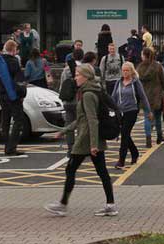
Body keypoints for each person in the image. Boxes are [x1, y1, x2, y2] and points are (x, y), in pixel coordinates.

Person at [44, 64, 118, 217]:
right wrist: (63, 131)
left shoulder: (88, 94)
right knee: (102, 171)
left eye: (78, 74)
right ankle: (110, 205)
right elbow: (81, 119)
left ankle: (62, 205)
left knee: (71, 169)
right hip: (93, 138)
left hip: (87, 140)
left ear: (85, 76)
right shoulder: (91, 91)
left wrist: (93, 145)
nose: (75, 77)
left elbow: (92, 120)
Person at [112, 62, 152, 169]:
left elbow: (143, 97)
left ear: (131, 71)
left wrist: (148, 111)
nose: (125, 72)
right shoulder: (118, 82)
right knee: (125, 134)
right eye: (123, 70)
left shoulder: (135, 82)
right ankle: (134, 152)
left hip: (132, 111)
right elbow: (113, 97)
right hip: (120, 112)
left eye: (127, 70)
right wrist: (109, 109)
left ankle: (121, 160)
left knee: (124, 134)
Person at [0, 40, 27, 155]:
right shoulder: (14, 62)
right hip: (13, 95)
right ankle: (11, 147)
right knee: (18, 120)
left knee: (5, 120)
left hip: (2, 95)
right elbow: (19, 81)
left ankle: (6, 145)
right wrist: (22, 94)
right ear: (13, 49)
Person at [137, 47, 164, 146]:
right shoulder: (157, 66)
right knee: (158, 117)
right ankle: (159, 136)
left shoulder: (139, 68)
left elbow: (137, 82)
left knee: (147, 117)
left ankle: (148, 140)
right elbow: (163, 80)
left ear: (144, 55)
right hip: (156, 94)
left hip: (145, 95)